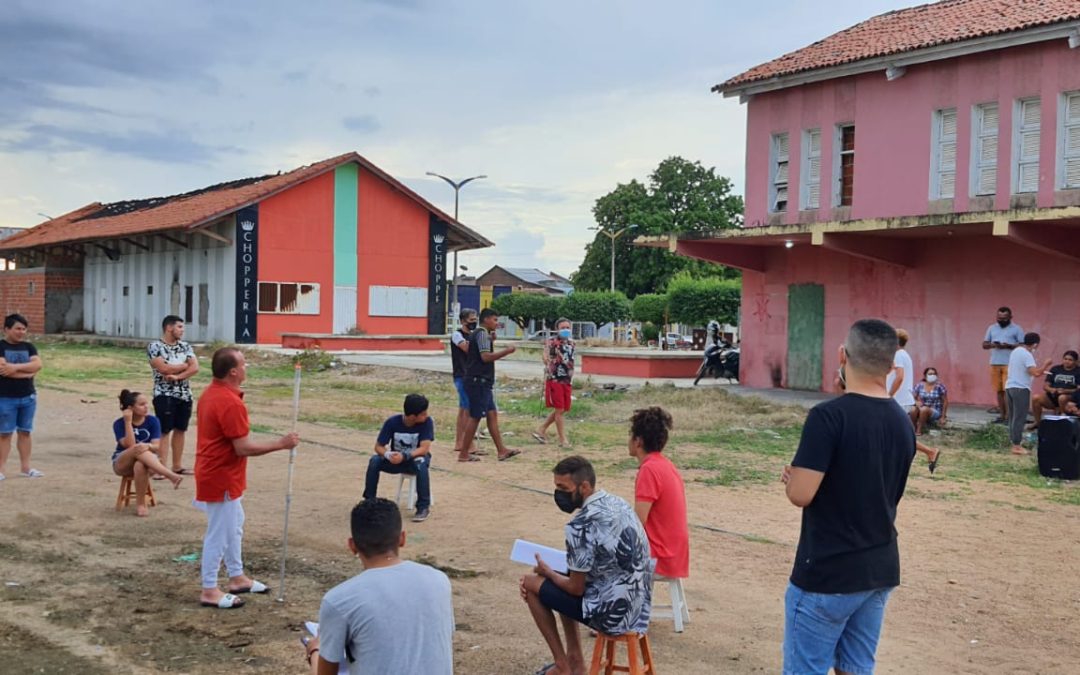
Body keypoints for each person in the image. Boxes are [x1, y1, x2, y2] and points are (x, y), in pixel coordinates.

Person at [781, 319, 916, 674]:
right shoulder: (903, 422)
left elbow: (801, 494)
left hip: (828, 570)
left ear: (842, 355)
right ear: (891, 365)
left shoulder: (828, 417)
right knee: (857, 668)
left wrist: (793, 479)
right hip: (879, 567)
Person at [519, 456, 652, 675]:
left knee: (531, 583)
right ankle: (575, 660)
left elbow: (575, 588)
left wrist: (547, 573)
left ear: (584, 486)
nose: (559, 495)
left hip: (613, 614)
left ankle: (563, 665)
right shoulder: (618, 503)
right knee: (561, 576)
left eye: (563, 488)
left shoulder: (580, 524)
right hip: (639, 605)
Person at [195, 347, 299, 609]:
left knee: (235, 524)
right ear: (233, 371)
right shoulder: (228, 402)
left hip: (222, 472)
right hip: (221, 475)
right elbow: (242, 448)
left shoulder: (213, 394)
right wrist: (281, 444)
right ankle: (209, 589)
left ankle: (237, 576)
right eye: (244, 364)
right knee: (219, 532)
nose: (246, 368)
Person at [300, 498, 454, 675]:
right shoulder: (439, 580)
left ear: (352, 546)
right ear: (402, 539)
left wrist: (314, 651)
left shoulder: (339, 600)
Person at [628, 406, 689, 581]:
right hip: (674, 555)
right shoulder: (665, 465)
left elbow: (638, 522)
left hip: (659, 557)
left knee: (597, 560)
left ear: (638, 441)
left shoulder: (649, 470)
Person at [459, 308, 521, 462]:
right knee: (475, 417)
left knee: (491, 414)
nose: (496, 323)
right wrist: (506, 351)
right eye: (494, 320)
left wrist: (491, 341)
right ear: (486, 320)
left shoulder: (482, 335)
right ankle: (464, 453)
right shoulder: (481, 334)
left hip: (482, 382)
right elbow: (485, 357)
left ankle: (501, 450)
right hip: (478, 381)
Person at [363, 394, 434, 523]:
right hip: (396, 461)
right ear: (413, 416)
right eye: (423, 413)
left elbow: (424, 449)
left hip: (414, 460)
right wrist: (388, 455)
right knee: (374, 461)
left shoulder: (427, 423)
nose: (426, 415)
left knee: (421, 463)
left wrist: (405, 456)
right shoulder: (392, 422)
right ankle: (369, 501)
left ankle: (423, 506)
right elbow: (378, 447)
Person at [112, 389, 183, 516]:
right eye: (142, 404)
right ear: (130, 408)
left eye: (146, 403)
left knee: (140, 465)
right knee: (136, 449)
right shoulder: (119, 424)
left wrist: (147, 446)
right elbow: (130, 445)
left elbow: (156, 447)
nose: (146, 407)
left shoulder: (153, 421)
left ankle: (141, 505)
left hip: (147, 463)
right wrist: (128, 422)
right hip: (123, 463)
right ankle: (169, 475)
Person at [147, 315, 199, 476]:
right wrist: (184, 366)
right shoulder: (155, 346)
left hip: (184, 394)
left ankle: (177, 465)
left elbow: (195, 368)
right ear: (169, 328)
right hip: (164, 394)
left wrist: (178, 376)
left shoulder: (185, 346)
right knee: (164, 430)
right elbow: (163, 368)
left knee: (181, 429)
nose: (182, 331)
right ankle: (160, 467)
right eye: (180, 327)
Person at [0, 313, 44, 481]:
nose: (21, 332)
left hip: (28, 397)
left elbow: (37, 365)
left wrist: (14, 369)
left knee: (25, 432)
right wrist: (26, 372)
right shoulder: (1, 346)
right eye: (17, 328)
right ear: (7, 329)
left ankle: (26, 467)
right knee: (4, 433)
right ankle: (1, 469)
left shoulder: (29, 347)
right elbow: (3, 370)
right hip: (5, 397)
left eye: (24, 329)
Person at [1005, 333, 1052, 456]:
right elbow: (1035, 373)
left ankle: (1014, 441)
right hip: (1021, 388)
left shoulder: (1016, 351)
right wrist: (1046, 365)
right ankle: (1016, 445)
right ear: (1035, 344)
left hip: (1010, 386)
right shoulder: (1027, 355)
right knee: (1019, 417)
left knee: (1013, 417)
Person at [534, 317, 575, 448]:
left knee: (563, 408)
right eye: (563, 328)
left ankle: (541, 429)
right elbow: (545, 356)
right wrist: (548, 362)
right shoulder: (552, 342)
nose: (566, 330)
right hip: (555, 378)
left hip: (567, 379)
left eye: (567, 327)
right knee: (559, 409)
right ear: (557, 329)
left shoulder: (571, 343)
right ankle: (563, 440)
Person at [450, 308, 483, 458]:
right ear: (463, 321)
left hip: (470, 375)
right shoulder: (457, 335)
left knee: (463, 408)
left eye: (475, 319)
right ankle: (468, 444)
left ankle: (459, 441)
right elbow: (467, 349)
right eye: (471, 320)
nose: (474, 322)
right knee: (467, 408)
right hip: (462, 375)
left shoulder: (474, 335)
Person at [982, 307, 1025, 422]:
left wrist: (1008, 346)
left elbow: (1023, 345)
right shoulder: (992, 328)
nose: (1001, 320)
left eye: (1004, 318)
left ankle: (1010, 416)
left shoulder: (1017, 329)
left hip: (1010, 363)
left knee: (1008, 391)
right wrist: (993, 345)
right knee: (999, 391)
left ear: (1010, 317)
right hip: (995, 363)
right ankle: (1002, 415)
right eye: (999, 318)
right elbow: (984, 345)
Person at [1030, 350, 1079, 429]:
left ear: (1075, 361)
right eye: (1065, 359)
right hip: (1052, 396)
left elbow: (1078, 390)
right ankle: (1038, 423)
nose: (1067, 361)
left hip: (1068, 398)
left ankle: (1062, 420)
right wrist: (1051, 389)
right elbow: (1045, 386)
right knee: (1036, 398)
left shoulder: (1078, 371)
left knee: (1062, 397)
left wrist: (1065, 391)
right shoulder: (1056, 369)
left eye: (1070, 360)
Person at [911, 367, 949, 436]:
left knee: (924, 409)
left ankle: (919, 430)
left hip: (935, 411)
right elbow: (912, 398)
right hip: (923, 408)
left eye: (934, 374)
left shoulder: (940, 386)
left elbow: (945, 401)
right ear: (925, 376)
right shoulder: (919, 385)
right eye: (930, 374)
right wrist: (916, 402)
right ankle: (913, 427)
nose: (932, 375)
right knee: (913, 409)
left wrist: (943, 416)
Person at [886, 328, 915, 415]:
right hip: (902, 400)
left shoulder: (897, 355)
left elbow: (899, 377)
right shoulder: (904, 355)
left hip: (899, 400)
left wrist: (889, 395)